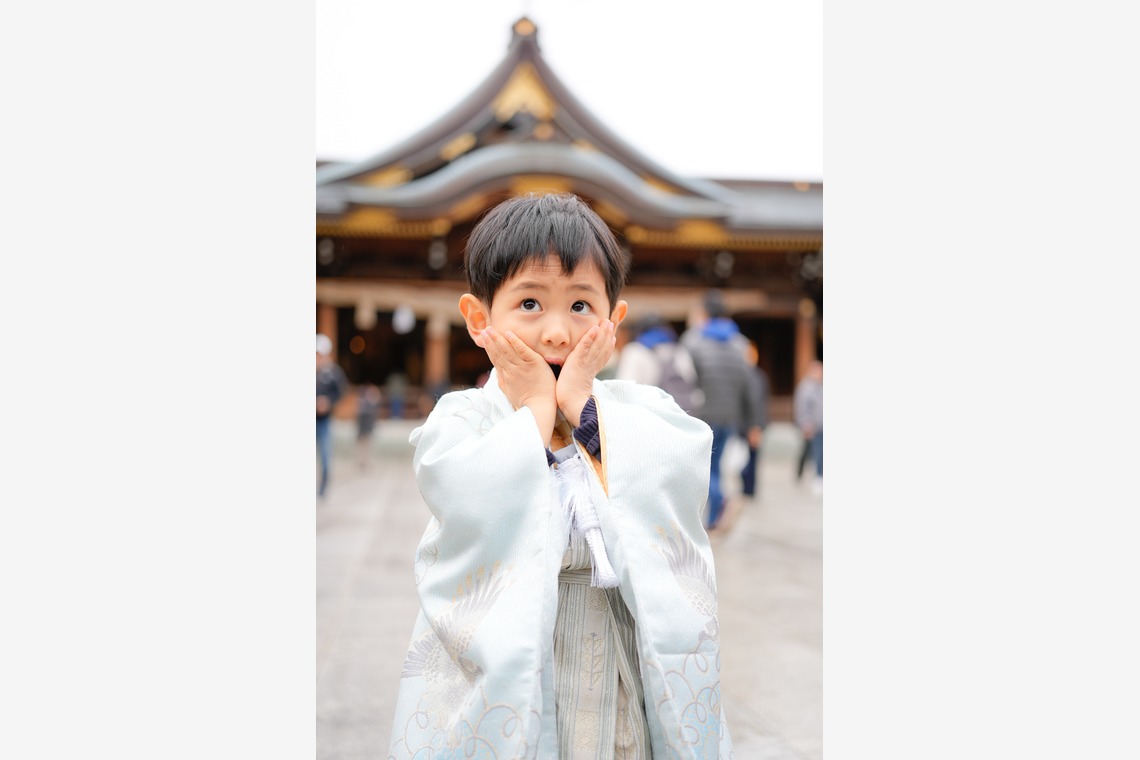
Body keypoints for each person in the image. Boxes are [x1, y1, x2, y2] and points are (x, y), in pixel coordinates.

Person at [388, 193, 734, 759]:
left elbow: (678, 469)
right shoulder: (463, 417)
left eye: (580, 307)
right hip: (512, 668)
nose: (556, 333)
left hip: (621, 668)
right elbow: (461, 491)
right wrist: (533, 415)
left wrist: (583, 409)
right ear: (479, 319)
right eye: (528, 303)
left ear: (613, 321)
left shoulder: (636, 408)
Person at [686, 296, 760, 533]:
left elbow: (687, 380)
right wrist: (753, 423)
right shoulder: (742, 344)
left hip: (702, 414)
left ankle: (721, 503)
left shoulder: (694, 340)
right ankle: (714, 519)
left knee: (706, 467)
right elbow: (750, 387)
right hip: (732, 416)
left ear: (705, 314)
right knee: (716, 464)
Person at [614, 313, 703, 414]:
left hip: (651, 414)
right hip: (681, 413)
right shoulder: (678, 349)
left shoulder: (635, 350)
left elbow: (624, 387)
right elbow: (691, 378)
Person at [316, 333, 348, 499]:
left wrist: (328, 402)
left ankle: (323, 487)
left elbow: (341, 392)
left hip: (324, 420)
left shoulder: (333, 373)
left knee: (325, 455)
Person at [739, 339, 771, 501]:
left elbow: (758, 402)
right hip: (744, 423)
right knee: (746, 457)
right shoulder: (748, 375)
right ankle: (747, 489)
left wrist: (756, 426)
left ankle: (749, 490)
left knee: (751, 458)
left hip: (751, 424)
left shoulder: (756, 377)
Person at [794, 360, 824, 495]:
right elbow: (801, 407)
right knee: (814, 452)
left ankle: (818, 475)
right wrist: (805, 424)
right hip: (813, 426)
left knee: (816, 452)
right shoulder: (805, 387)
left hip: (822, 425)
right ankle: (817, 477)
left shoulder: (822, 386)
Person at [354, 382, 382, 470]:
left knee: (367, 447)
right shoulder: (365, 403)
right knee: (362, 447)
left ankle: (365, 462)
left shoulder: (372, 403)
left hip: (367, 429)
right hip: (363, 429)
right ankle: (362, 462)